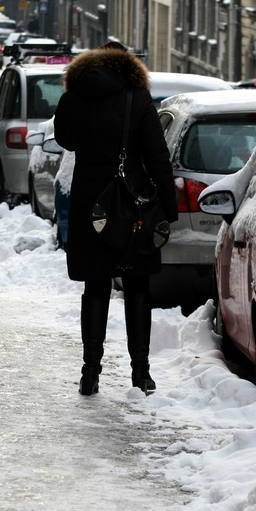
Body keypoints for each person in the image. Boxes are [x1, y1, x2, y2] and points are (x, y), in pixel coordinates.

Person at [53, 41, 178, 396]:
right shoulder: (137, 98)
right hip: (132, 205)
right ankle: (141, 373)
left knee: (95, 287)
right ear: (127, 65)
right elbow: (157, 155)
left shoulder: (74, 95)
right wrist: (169, 208)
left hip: (90, 204)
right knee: (137, 285)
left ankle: (90, 372)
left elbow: (65, 139)